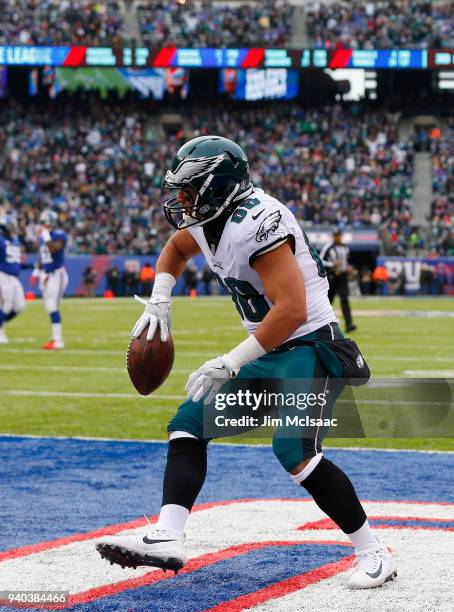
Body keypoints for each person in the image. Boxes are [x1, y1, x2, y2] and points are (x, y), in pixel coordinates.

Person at [96, 136, 396, 589]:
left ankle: (375, 552)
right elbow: (175, 249)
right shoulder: (208, 216)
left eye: (190, 189)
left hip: (309, 347)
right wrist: (160, 299)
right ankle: (169, 536)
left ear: (220, 187)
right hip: (270, 350)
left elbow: (291, 310)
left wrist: (233, 361)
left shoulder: (258, 219)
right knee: (188, 423)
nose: (181, 200)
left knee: (294, 451)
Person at [33, 210, 68, 350]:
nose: (42, 225)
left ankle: (58, 341)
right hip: (47, 275)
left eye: (44, 222)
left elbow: (53, 249)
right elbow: (44, 256)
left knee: (53, 307)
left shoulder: (59, 234)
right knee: (49, 307)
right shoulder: (44, 238)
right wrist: (37, 271)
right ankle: (55, 339)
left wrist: (46, 235)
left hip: (57, 274)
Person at [319, 229, 356, 332]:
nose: (337, 237)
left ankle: (349, 324)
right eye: (335, 235)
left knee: (344, 299)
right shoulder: (328, 247)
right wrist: (332, 264)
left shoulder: (345, 247)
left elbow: (346, 261)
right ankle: (322, 323)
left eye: (338, 235)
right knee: (328, 300)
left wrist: (348, 268)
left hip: (343, 276)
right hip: (332, 276)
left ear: (341, 235)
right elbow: (320, 260)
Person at [0, 215, 26, 344]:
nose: (14, 228)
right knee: (6, 305)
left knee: (19, 306)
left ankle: (1, 323)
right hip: (3, 275)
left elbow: (15, 262)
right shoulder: (1, 240)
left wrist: (31, 266)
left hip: (14, 278)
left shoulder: (15, 241)